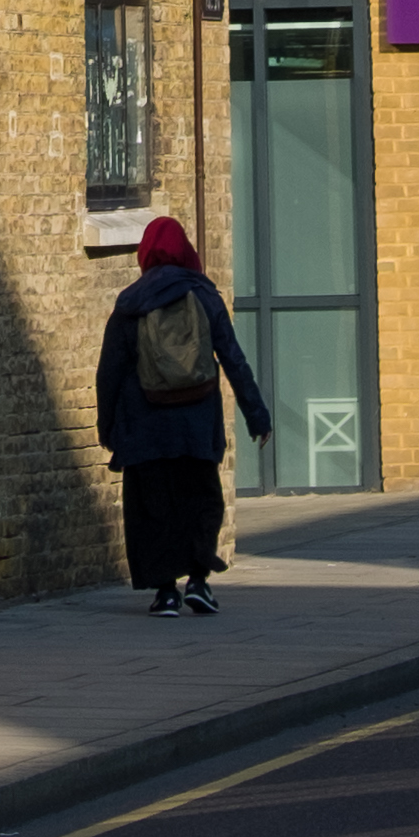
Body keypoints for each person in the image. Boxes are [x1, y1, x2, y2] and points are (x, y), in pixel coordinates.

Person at [95, 213, 269, 616]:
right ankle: (198, 582)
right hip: (196, 423)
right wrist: (256, 416)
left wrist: (108, 428)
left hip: (144, 428)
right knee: (200, 500)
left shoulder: (130, 304)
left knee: (153, 507)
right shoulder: (204, 296)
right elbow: (233, 359)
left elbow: (110, 372)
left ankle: (166, 592)